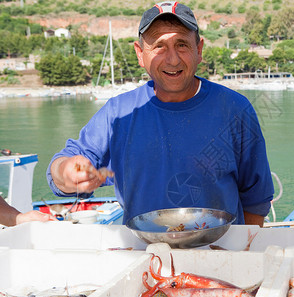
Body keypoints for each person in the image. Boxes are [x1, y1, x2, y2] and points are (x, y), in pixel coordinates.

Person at [46, 1, 274, 227]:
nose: (173, 59)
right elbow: (61, 170)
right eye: (159, 46)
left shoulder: (235, 109)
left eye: (182, 44)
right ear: (140, 53)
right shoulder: (118, 114)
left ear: (199, 50)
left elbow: (256, 201)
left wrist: (244, 250)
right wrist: (66, 172)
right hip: (144, 253)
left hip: (221, 252)